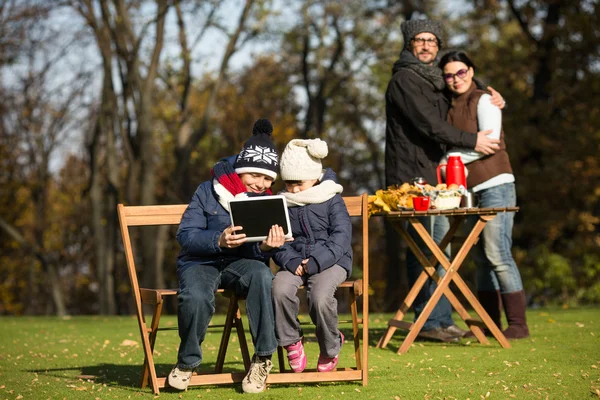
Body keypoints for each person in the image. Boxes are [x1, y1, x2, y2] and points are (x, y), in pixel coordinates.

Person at [384, 19, 505, 343]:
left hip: (435, 175)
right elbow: (429, 125)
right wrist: (472, 140)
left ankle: (438, 319)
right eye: (419, 40)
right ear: (409, 45)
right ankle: (428, 322)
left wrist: (489, 94)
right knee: (424, 249)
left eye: (431, 40)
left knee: (440, 249)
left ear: (437, 45)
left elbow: (462, 89)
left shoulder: (437, 80)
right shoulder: (404, 80)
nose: (426, 45)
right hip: (411, 177)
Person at [168, 119, 288, 394]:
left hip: (242, 264)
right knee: (195, 296)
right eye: (255, 175)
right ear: (242, 169)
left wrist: (268, 247)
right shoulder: (207, 190)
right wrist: (218, 239)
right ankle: (187, 363)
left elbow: (257, 251)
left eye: (268, 178)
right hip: (201, 261)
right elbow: (185, 235)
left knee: (262, 276)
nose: (261, 183)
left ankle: (263, 358)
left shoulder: (268, 201)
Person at [439, 51, 529, 339]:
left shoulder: (485, 99)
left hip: (497, 183)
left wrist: (448, 160)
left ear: (471, 70)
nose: (455, 79)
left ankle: (517, 325)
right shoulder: (449, 105)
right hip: (471, 189)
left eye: (461, 72)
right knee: (479, 256)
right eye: (449, 75)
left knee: (497, 253)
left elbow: (489, 142)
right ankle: (490, 324)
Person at [271, 138, 352, 373]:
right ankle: (292, 341)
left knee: (319, 296)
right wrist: (291, 261)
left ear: (315, 177)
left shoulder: (331, 198)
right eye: (289, 184)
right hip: (295, 261)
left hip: (331, 261)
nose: (293, 189)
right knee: (279, 288)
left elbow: (341, 235)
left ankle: (330, 346)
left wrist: (318, 261)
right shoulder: (282, 203)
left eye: (299, 183)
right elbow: (279, 241)